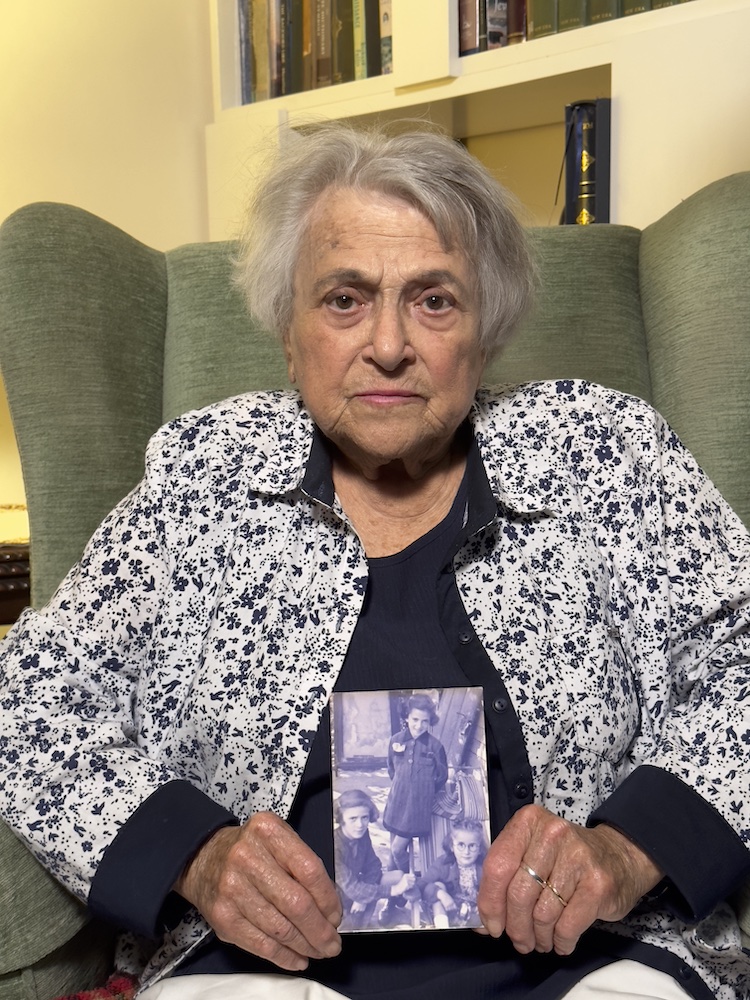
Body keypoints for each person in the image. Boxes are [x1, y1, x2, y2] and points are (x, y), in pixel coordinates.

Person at [0, 121, 749, 1000]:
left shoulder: (601, 447)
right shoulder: (205, 471)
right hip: (260, 970)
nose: (388, 345)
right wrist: (195, 857)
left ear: (485, 332)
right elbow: (32, 696)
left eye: (434, 300)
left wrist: (625, 851)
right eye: (345, 299)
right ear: (289, 334)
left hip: (594, 961)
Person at [381, 693, 448, 876]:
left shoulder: (435, 747)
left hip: (417, 808)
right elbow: (391, 769)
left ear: (430, 721)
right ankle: (395, 888)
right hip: (396, 802)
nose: (419, 725)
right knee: (391, 857)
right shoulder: (395, 741)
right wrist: (402, 785)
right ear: (407, 717)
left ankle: (407, 880)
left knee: (397, 850)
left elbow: (441, 776)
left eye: (424, 721)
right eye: (415, 719)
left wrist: (424, 792)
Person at [333, 789, 415, 930]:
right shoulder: (335, 845)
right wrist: (394, 890)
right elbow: (351, 888)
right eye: (353, 818)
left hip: (356, 889)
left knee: (398, 876)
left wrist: (362, 897)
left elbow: (374, 865)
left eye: (364, 817)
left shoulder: (361, 833)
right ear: (341, 819)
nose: (360, 824)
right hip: (336, 898)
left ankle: (384, 912)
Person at [418, 819, 488, 929]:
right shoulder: (443, 864)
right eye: (461, 845)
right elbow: (421, 885)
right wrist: (440, 894)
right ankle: (443, 928)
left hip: (474, 914)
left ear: (479, 849)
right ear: (452, 846)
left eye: (472, 846)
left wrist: (485, 903)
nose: (466, 852)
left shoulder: (485, 865)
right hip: (449, 910)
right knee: (438, 886)